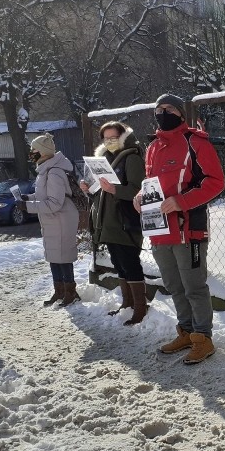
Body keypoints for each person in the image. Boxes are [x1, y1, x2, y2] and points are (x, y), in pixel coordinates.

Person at [134, 94, 225, 364]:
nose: (163, 112)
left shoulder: (195, 143)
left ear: (181, 113)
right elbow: (151, 183)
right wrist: (141, 196)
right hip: (160, 230)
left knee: (194, 286)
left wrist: (181, 201)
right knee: (174, 286)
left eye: (169, 108)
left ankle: (203, 338)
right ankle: (185, 331)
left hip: (189, 230)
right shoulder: (152, 147)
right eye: (159, 108)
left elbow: (216, 182)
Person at [80, 122, 147, 325]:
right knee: (119, 264)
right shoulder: (105, 160)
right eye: (106, 138)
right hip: (109, 222)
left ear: (123, 136)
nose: (109, 142)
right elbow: (102, 195)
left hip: (126, 221)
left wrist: (114, 190)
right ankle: (127, 303)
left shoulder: (132, 158)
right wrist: (89, 189)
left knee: (130, 263)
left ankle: (140, 308)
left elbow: (139, 191)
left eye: (113, 137)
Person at [22, 133, 81, 307]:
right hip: (53, 219)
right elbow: (44, 195)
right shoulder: (45, 169)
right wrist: (27, 198)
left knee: (63, 255)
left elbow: (54, 203)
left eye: (34, 149)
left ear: (44, 152)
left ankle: (70, 293)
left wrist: (28, 207)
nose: (31, 152)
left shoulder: (54, 172)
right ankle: (60, 291)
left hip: (61, 218)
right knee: (54, 256)